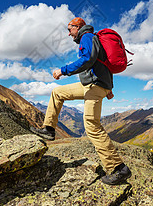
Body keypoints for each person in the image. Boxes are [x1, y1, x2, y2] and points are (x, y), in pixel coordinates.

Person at [31, 17, 132, 185]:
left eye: (69, 29)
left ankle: (119, 169)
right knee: (58, 92)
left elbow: (87, 59)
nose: (69, 33)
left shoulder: (88, 37)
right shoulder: (91, 38)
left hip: (94, 86)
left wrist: (63, 71)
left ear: (77, 27)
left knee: (92, 126)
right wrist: (108, 87)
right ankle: (49, 129)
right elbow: (102, 65)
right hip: (92, 85)